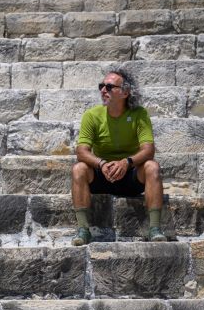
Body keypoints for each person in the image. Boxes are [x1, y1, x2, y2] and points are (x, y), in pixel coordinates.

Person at [70, 69, 166, 246]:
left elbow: (148, 150)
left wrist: (126, 162)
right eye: (101, 86)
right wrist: (102, 164)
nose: (103, 90)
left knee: (152, 166)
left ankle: (154, 228)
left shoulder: (139, 114)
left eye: (109, 86)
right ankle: (83, 229)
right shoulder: (92, 115)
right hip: (102, 175)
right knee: (79, 168)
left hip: (130, 175)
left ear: (125, 92)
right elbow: (81, 151)